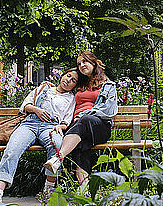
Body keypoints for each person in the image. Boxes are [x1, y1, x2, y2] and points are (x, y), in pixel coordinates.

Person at [0, 68, 78, 203]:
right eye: (68, 76)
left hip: (50, 126)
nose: (68, 80)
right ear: (62, 75)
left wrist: (61, 127)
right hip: (29, 124)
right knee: (13, 148)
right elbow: (25, 106)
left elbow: (67, 119)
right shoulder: (43, 88)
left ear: (74, 86)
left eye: (73, 81)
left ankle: (48, 189)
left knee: (58, 145)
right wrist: (37, 110)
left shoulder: (71, 98)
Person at [43, 51, 117, 183]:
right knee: (82, 144)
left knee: (85, 120)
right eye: (79, 63)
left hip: (99, 126)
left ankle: (58, 158)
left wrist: (83, 115)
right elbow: (63, 90)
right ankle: (84, 189)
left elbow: (108, 110)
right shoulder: (78, 84)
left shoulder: (107, 85)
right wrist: (49, 86)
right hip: (79, 127)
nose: (81, 65)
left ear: (94, 63)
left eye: (85, 61)